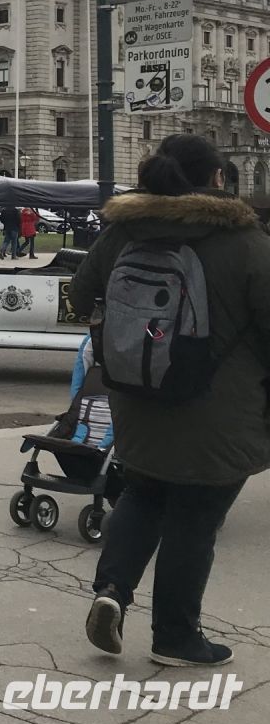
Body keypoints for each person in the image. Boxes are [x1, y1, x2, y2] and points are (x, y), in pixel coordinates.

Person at [69, 134, 270, 668]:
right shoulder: (243, 238)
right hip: (218, 409)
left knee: (144, 493)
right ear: (218, 179)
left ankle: (111, 592)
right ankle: (176, 638)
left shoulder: (124, 230)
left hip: (138, 394)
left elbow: (79, 294)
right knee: (196, 516)